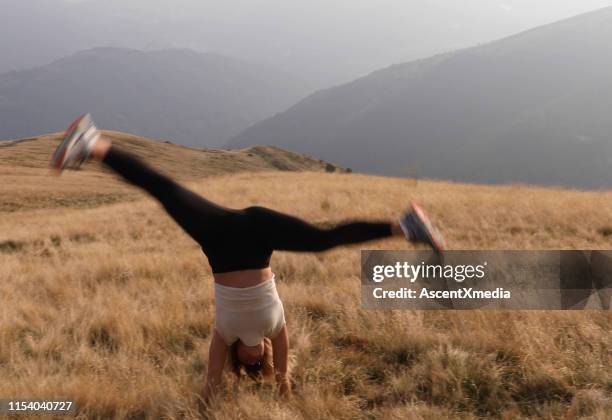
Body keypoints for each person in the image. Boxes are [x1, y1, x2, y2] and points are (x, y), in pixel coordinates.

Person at [51, 114, 446, 401]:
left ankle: (93, 145)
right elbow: (283, 354)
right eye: (262, 361)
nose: (256, 356)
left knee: (163, 189)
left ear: (238, 357)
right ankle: (406, 226)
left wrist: (209, 392)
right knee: (324, 241)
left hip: (218, 239)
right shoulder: (275, 329)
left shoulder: (225, 335)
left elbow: (211, 376)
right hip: (257, 235)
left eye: (250, 361)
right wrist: (282, 381)